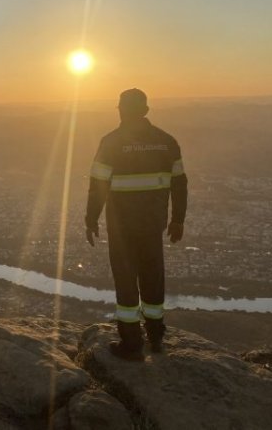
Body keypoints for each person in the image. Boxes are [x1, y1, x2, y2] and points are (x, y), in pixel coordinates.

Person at [84, 88, 188, 361]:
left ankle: (131, 344)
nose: (119, 111)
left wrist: (90, 218)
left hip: (122, 227)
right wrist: (178, 219)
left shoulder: (111, 142)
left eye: (121, 107)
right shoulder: (166, 142)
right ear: (146, 111)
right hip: (153, 225)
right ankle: (155, 337)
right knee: (153, 279)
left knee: (126, 282)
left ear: (121, 109)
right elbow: (180, 184)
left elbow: (97, 186)